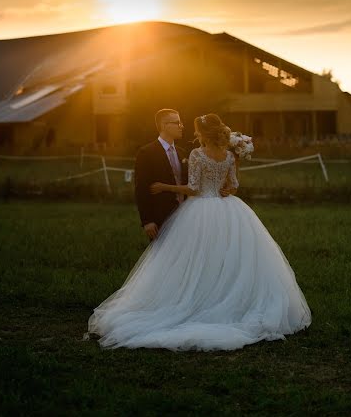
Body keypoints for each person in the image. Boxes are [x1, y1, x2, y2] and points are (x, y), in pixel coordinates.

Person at [87, 113, 312, 351]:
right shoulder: (227, 156)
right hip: (228, 209)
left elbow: (193, 188)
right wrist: (225, 189)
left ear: (202, 133)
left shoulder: (196, 154)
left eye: (195, 130)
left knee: (196, 258)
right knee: (228, 256)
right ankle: (226, 297)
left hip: (201, 208)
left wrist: (165, 187)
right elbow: (234, 186)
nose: (190, 132)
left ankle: (197, 300)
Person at [134, 108, 189, 240]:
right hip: (161, 216)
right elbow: (141, 188)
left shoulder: (183, 153)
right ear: (164, 125)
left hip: (186, 215)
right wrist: (147, 220)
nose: (181, 126)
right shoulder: (146, 153)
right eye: (177, 123)